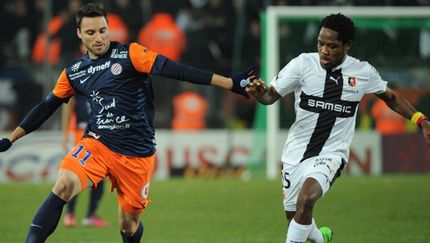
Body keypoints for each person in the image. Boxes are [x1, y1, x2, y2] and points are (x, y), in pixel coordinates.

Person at [0, 3, 255, 243]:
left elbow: (178, 70)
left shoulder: (131, 54)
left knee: (128, 224)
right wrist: (12, 138)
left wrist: (231, 83)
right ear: (79, 34)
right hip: (97, 145)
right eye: (91, 32)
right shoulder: (73, 72)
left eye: (102, 30)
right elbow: (46, 107)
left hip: (136, 155)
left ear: (109, 28)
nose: (98, 37)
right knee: (64, 183)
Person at [245, 13, 430, 243]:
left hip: (331, 154)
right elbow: (270, 97)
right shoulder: (303, 64)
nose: (324, 50)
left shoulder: (362, 72)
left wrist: (421, 120)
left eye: (332, 46)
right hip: (296, 152)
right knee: (295, 218)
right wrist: (259, 93)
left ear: (347, 45)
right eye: (320, 43)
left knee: (307, 201)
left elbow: (391, 98)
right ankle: (321, 238)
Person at [61, 94, 109, 228]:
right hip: (84, 134)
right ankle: (74, 214)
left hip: (98, 134)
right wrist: (65, 133)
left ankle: (83, 215)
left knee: (99, 176)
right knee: (78, 175)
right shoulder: (85, 81)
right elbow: (68, 104)